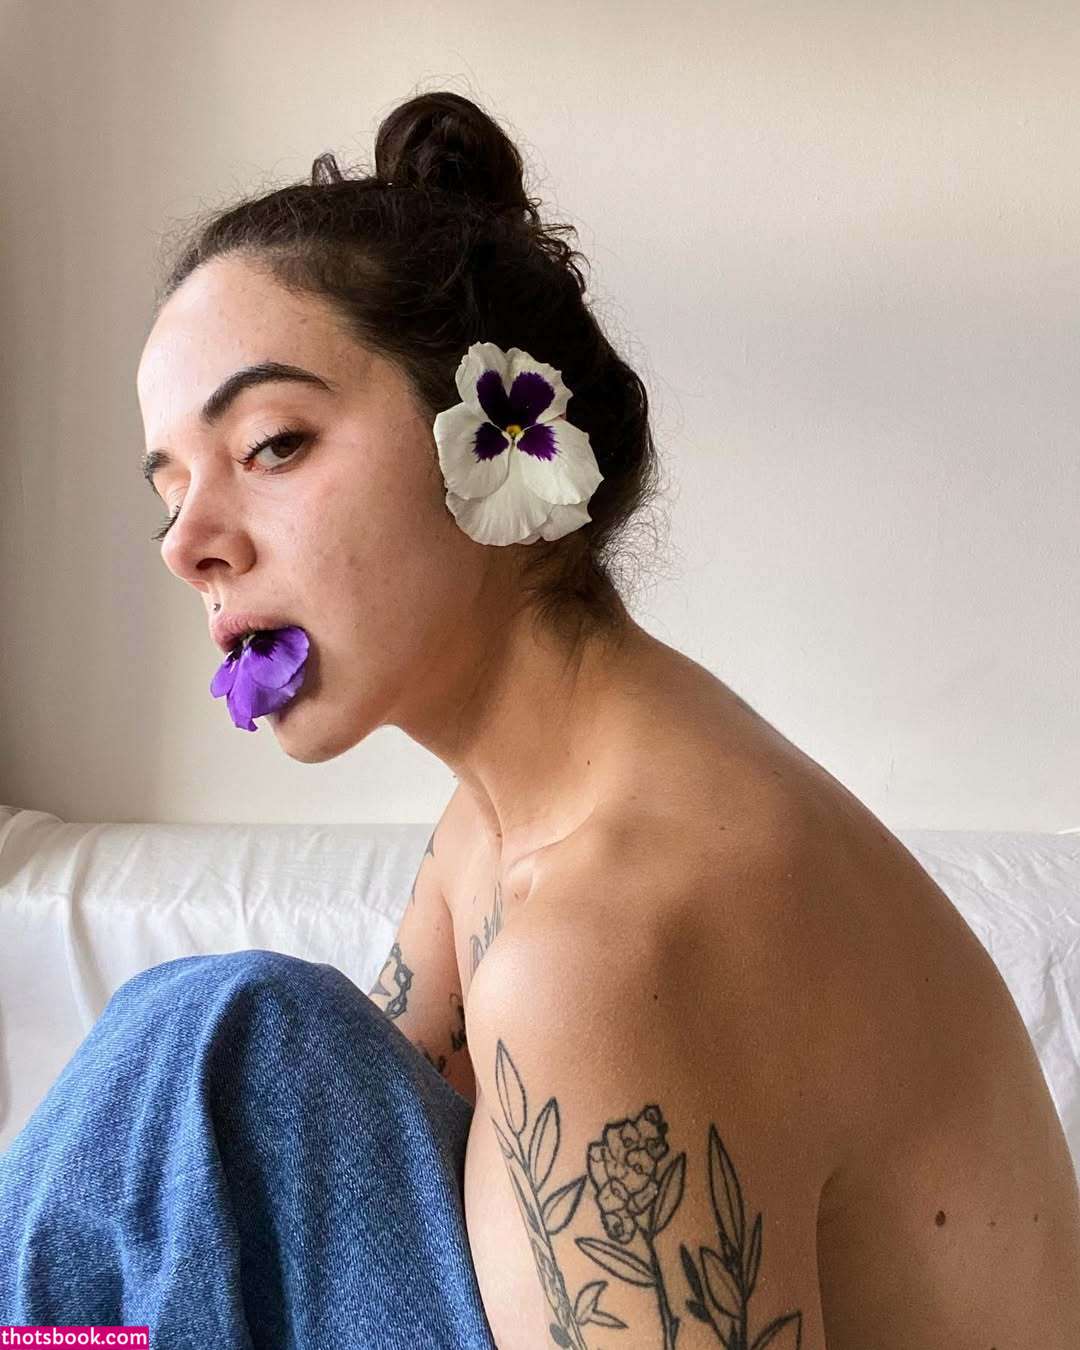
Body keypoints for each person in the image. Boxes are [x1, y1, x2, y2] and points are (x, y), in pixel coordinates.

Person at [5, 89, 1080, 1348]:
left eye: (273, 443)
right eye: (170, 490)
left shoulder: (615, 933)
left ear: (495, 442)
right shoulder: (503, 821)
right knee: (222, 1049)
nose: (188, 545)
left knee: (217, 1035)